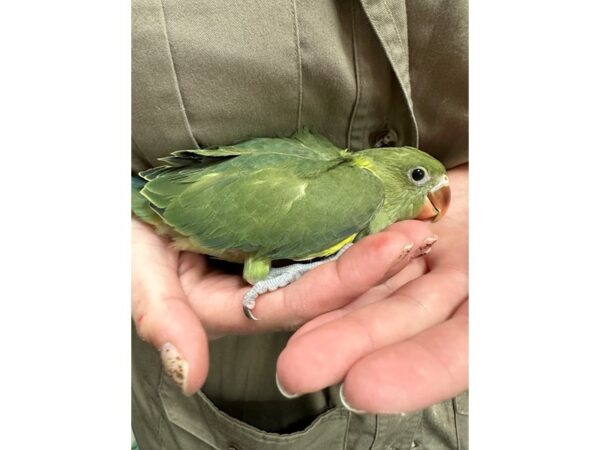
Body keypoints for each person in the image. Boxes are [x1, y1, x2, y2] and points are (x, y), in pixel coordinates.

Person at [132, 0, 468, 448]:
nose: (431, 193)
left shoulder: (356, 190)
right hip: (235, 390)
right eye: (418, 177)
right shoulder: (358, 196)